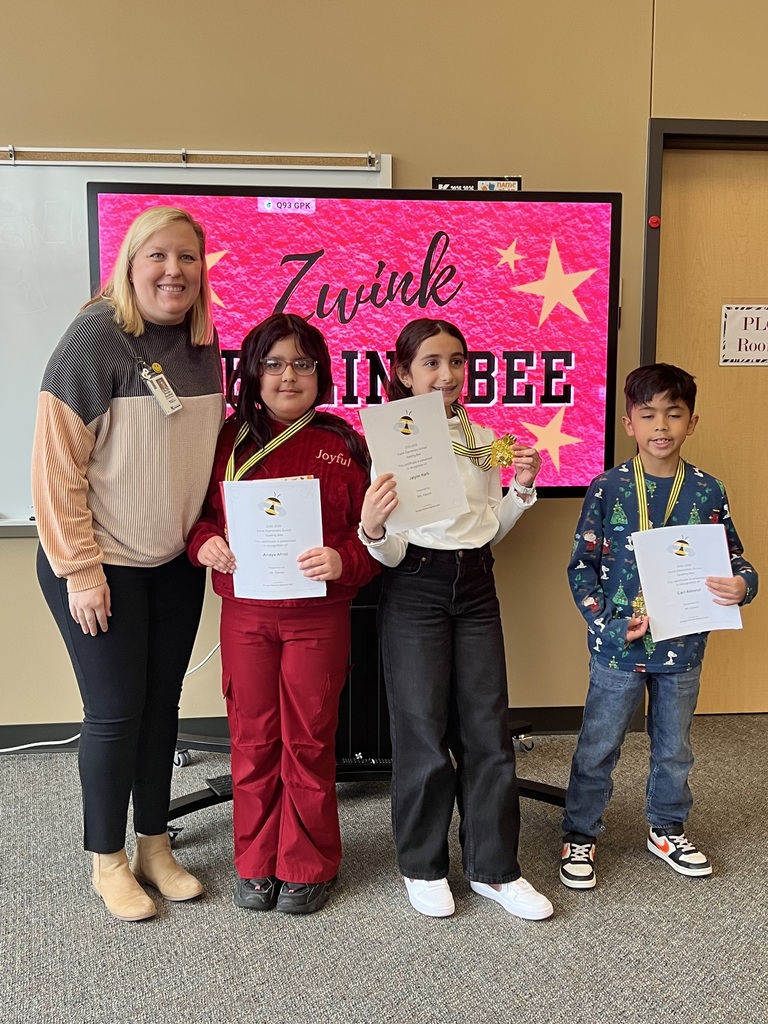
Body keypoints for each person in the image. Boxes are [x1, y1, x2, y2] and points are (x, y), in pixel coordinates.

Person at [32, 206, 225, 921]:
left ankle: (154, 844)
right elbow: (56, 470)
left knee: (161, 710)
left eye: (188, 258)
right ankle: (107, 861)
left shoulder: (204, 344)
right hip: (98, 564)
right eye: (159, 257)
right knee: (115, 714)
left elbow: (197, 460)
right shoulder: (94, 339)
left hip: (173, 562)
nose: (174, 271)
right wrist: (80, 570)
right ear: (131, 264)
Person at [359, 318, 553, 920]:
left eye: (458, 362)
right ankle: (422, 865)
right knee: (419, 728)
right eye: (432, 363)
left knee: (486, 725)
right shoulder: (389, 443)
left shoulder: (486, 439)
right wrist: (371, 527)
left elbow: (488, 526)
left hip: (476, 585)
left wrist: (520, 487)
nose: (447, 375)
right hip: (414, 584)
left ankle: (496, 869)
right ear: (403, 372)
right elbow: (388, 546)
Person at [187, 312, 378, 915]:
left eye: (302, 363)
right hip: (246, 617)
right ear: (253, 372)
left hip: (318, 619)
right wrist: (203, 543)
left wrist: (341, 559)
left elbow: (374, 539)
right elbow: (192, 515)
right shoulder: (226, 440)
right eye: (273, 363)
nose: (288, 375)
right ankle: (254, 860)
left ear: (321, 373)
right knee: (252, 737)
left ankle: (306, 863)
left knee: (309, 740)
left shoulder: (345, 442)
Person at [561, 363, 758, 890]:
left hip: (684, 646)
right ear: (629, 423)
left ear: (692, 422)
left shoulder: (706, 491)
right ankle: (580, 831)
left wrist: (745, 584)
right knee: (598, 744)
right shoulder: (608, 489)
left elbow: (735, 560)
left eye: (674, 414)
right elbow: (580, 566)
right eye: (648, 415)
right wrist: (604, 622)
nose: (661, 427)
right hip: (618, 648)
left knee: (674, 746)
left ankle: (667, 827)